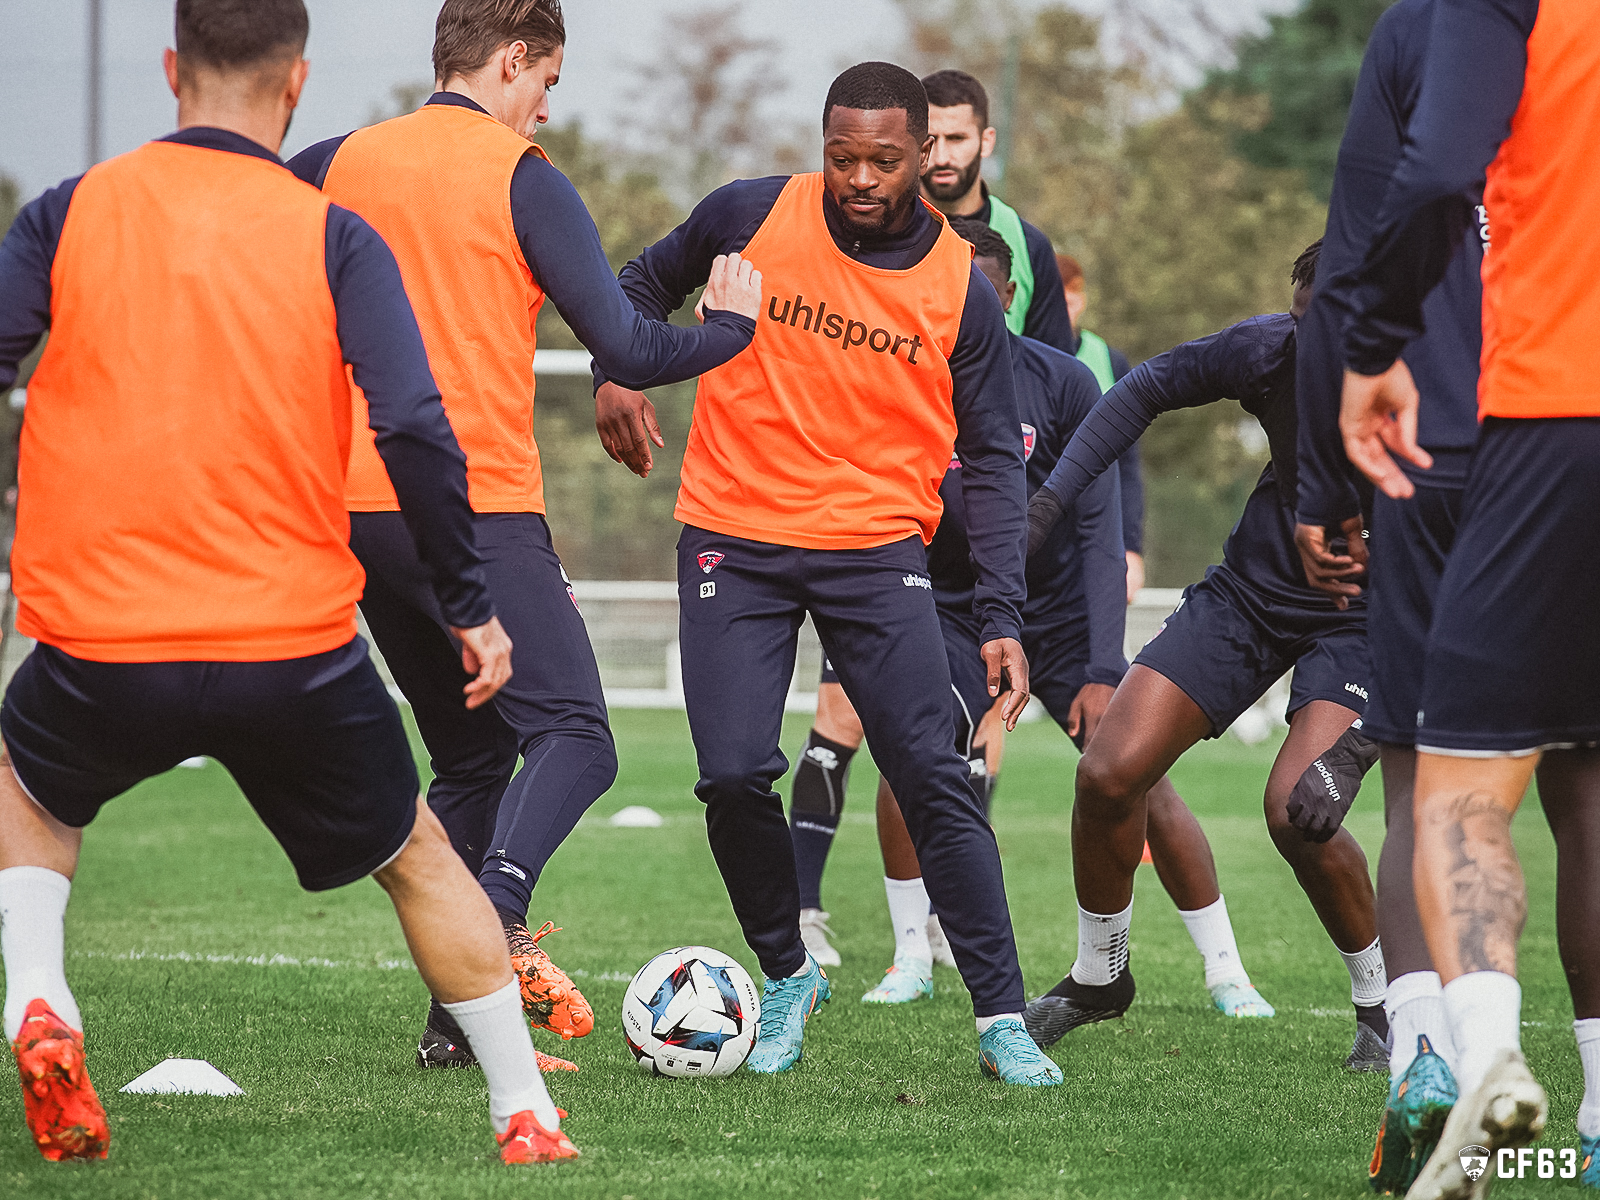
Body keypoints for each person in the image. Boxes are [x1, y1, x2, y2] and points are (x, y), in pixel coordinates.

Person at [0, 0, 576, 1166]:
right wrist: (468, 602)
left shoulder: (67, 213)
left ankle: (40, 999)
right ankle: (526, 1115)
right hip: (291, 643)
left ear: (172, 66)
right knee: (420, 855)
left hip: (104, 635)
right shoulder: (332, 232)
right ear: (298, 83)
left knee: (26, 790)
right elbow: (414, 425)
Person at [286, 0, 762, 1070]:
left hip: (356, 513)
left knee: (469, 758)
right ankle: (497, 925)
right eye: (546, 80)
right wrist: (731, 327)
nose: (548, 102)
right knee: (578, 739)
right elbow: (630, 343)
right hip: (471, 505)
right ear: (512, 61)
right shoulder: (523, 177)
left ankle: (455, 1026)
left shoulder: (331, 160)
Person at [595, 62, 1061, 1086]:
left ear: (921, 159)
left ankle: (1001, 1019)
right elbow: (632, 284)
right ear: (822, 146)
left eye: (883, 161)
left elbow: (990, 461)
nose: (859, 177)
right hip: (732, 535)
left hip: (873, 549)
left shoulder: (955, 285)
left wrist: (999, 615)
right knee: (729, 773)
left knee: (935, 777)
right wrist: (617, 368)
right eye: (841, 157)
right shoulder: (748, 214)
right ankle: (788, 970)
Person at [851, 219, 1274, 1022]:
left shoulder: (1062, 383)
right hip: (944, 603)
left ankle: (1226, 970)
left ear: (1008, 298)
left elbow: (1096, 528)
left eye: (973, 287)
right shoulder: (895, 376)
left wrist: (1100, 664)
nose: (951, 302)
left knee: (1134, 773)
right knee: (911, 757)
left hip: (1057, 613)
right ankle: (912, 956)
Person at [1330, 1, 1600, 1192]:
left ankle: (1479, 1061)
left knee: (1456, 787)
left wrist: (1372, 339)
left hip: (1552, 418)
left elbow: (1438, 166)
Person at [1025, 242, 1388, 1068]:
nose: (1311, 346)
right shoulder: (1270, 348)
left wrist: (1361, 750)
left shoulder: (1445, 400)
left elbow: (1462, 602)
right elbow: (1145, 385)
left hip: (1369, 622)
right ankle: (1099, 976)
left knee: (1297, 808)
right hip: (1252, 594)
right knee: (1109, 772)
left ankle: (1380, 1001)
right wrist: (1048, 504)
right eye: (1304, 322)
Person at [1290, 0, 1485, 1189]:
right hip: (1566, 444)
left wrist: (1328, 479)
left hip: (1434, 450)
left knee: (1424, 780)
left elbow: (1357, 255)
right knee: (1577, 790)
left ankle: (1431, 1076)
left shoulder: (1423, 31)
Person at [1058, 253, 1146, 602]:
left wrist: (1132, 550)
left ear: (1081, 301)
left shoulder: (1109, 361)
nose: (1061, 310)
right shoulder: (1023, 358)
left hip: (1097, 529)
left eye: (1068, 300)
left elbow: (1128, 464)